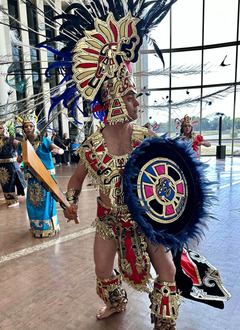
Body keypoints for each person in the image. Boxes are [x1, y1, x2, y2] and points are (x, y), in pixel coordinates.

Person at [18, 114, 64, 237]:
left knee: (46, 203)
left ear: (35, 127)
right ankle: (36, 227)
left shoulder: (44, 141)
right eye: (26, 126)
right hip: (32, 178)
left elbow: (59, 149)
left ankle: (49, 227)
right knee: (33, 202)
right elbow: (20, 157)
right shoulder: (23, 144)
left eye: (31, 126)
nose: (28, 128)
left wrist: (58, 151)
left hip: (46, 177)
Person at [0, 120, 26, 207]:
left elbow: (22, 146)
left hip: (11, 164)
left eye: (0, 128)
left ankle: (14, 200)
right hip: (2, 165)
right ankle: (10, 200)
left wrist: (21, 156)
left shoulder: (10, 139)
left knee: (13, 181)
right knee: (5, 182)